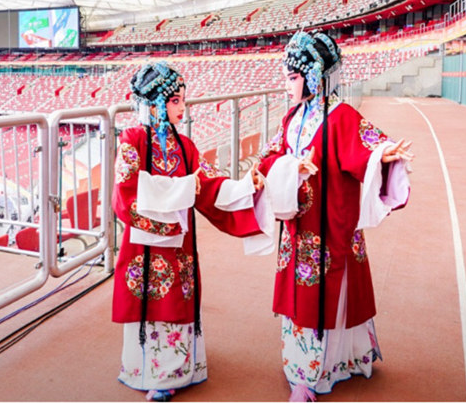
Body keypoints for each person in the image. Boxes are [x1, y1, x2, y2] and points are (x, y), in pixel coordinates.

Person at [254, 30, 413, 401]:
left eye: (294, 77)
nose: (289, 85)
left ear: (313, 75)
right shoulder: (291, 118)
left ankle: (327, 366)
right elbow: (269, 155)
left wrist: (383, 153)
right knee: (304, 295)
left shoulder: (341, 116)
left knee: (330, 290)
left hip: (331, 224)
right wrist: (287, 167)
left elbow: (366, 146)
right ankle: (304, 367)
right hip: (300, 225)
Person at [112, 61, 264, 402]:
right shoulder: (132, 140)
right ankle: (147, 371)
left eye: (182, 100)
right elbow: (125, 191)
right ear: (154, 103)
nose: (183, 108)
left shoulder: (186, 146)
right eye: (175, 101)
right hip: (145, 246)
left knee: (178, 302)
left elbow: (207, 184)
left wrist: (244, 187)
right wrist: (182, 189)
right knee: (150, 304)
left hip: (178, 246)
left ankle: (178, 370)